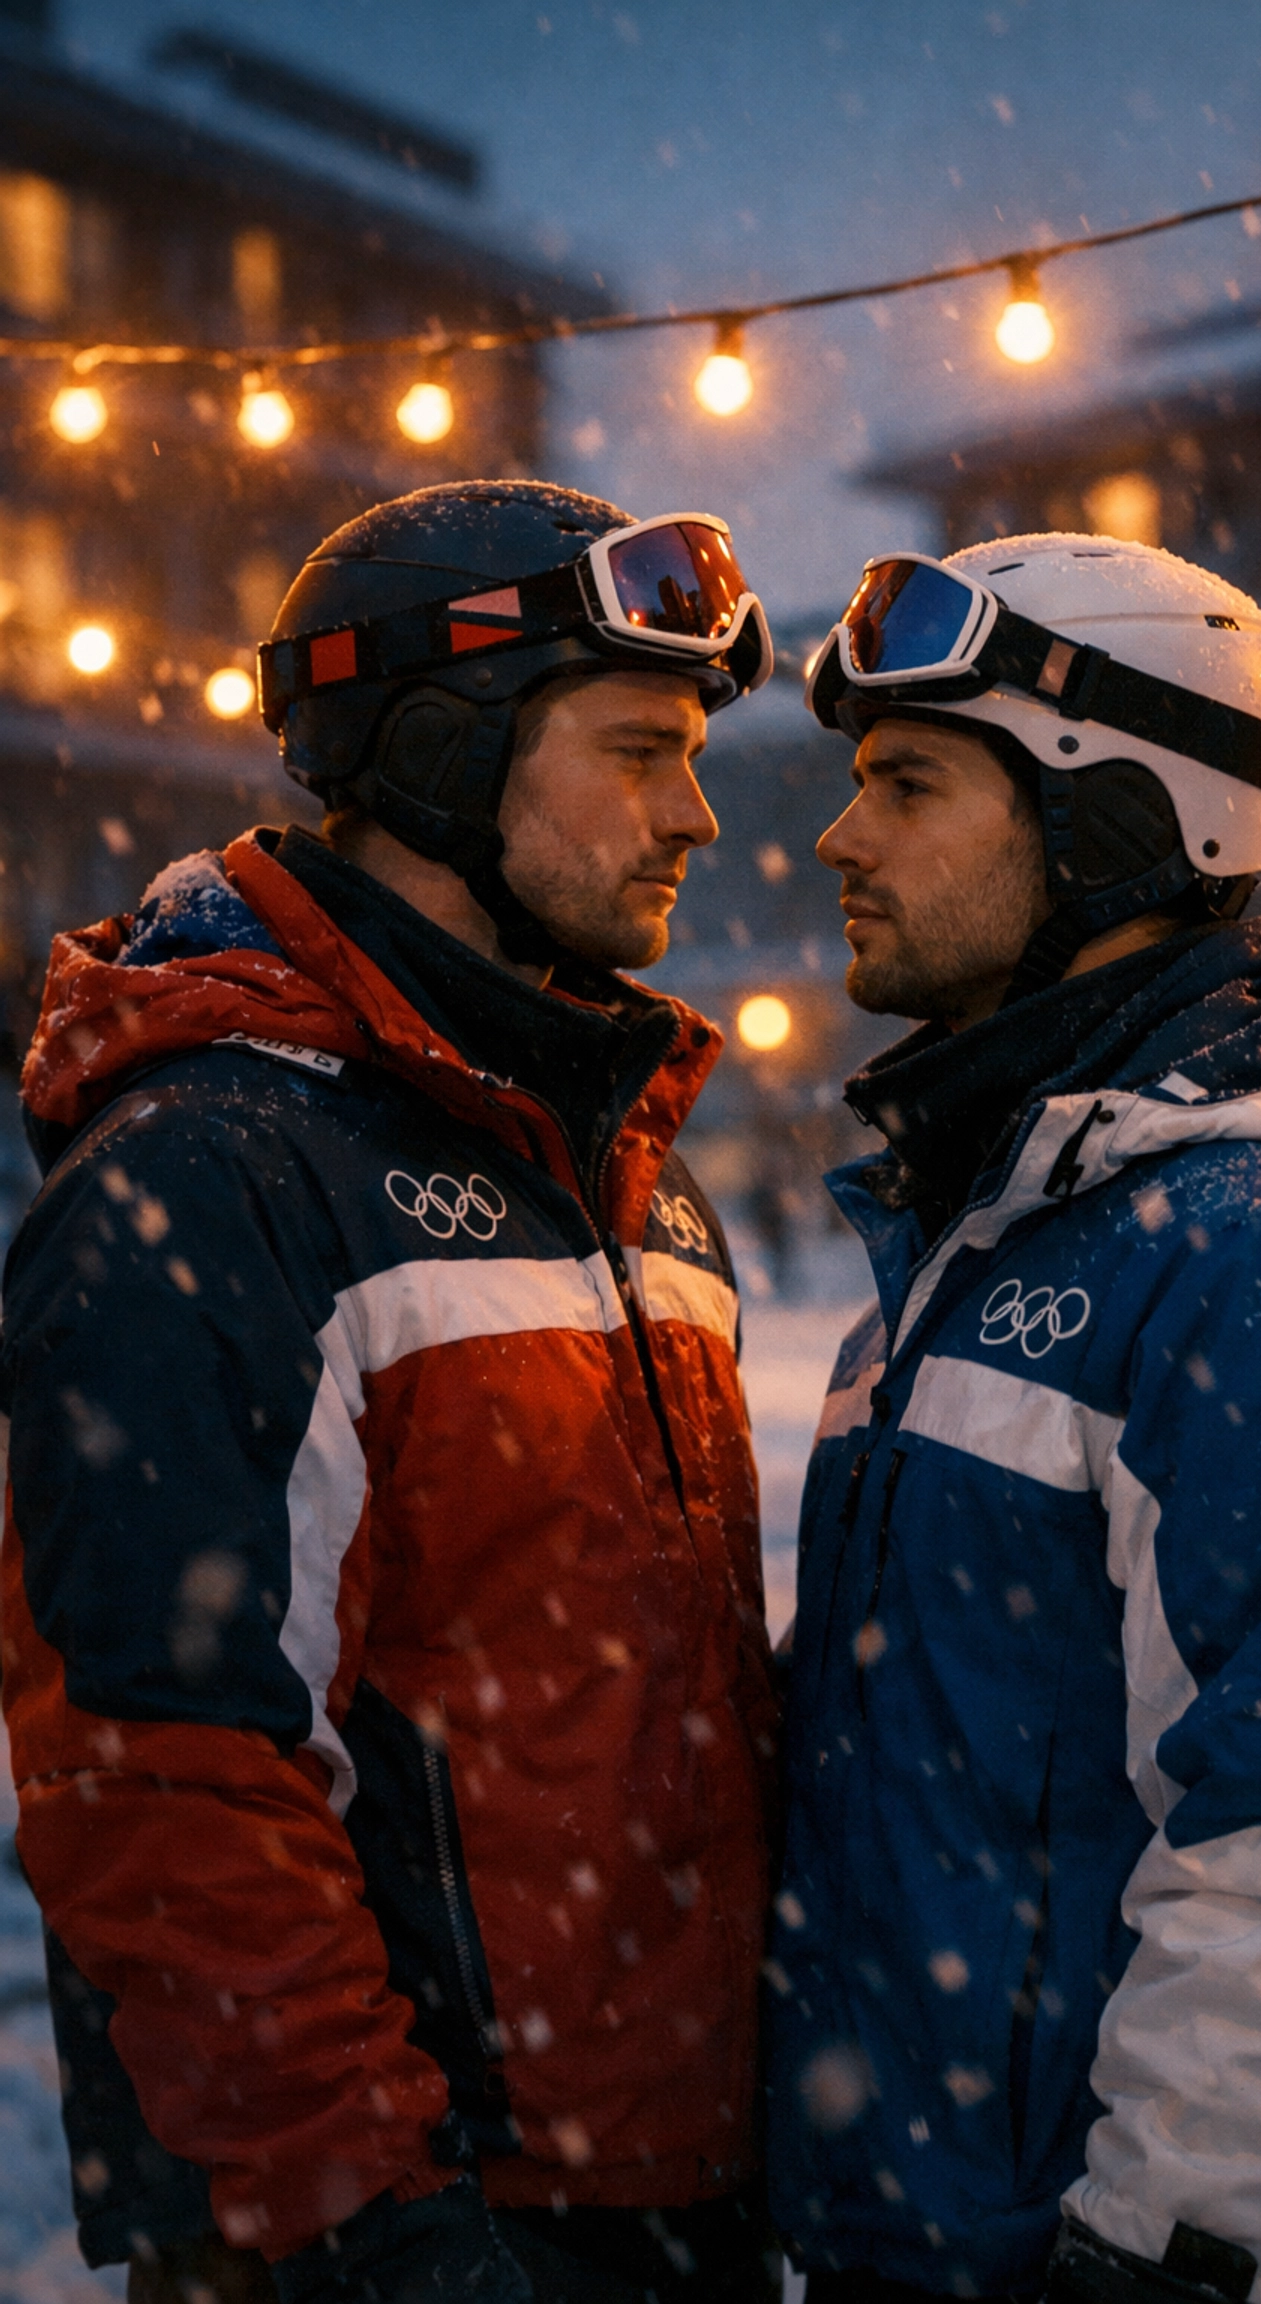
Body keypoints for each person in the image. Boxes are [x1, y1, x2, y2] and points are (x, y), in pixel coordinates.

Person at [1, 483, 784, 2304]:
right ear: (440, 751)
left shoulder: (628, 1171)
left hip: (671, 2195)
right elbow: (167, 1773)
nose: (696, 811)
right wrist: (368, 2228)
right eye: (639, 749)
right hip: (421, 2225)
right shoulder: (216, 1171)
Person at [765, 534, 1261, 2304]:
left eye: (908, 784)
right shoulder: (983, 1225)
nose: (838, 840)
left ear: (1117, 828)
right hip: (892, 2232)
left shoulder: (1253, 1255)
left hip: (1067, 2258)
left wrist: (1194, 2257)